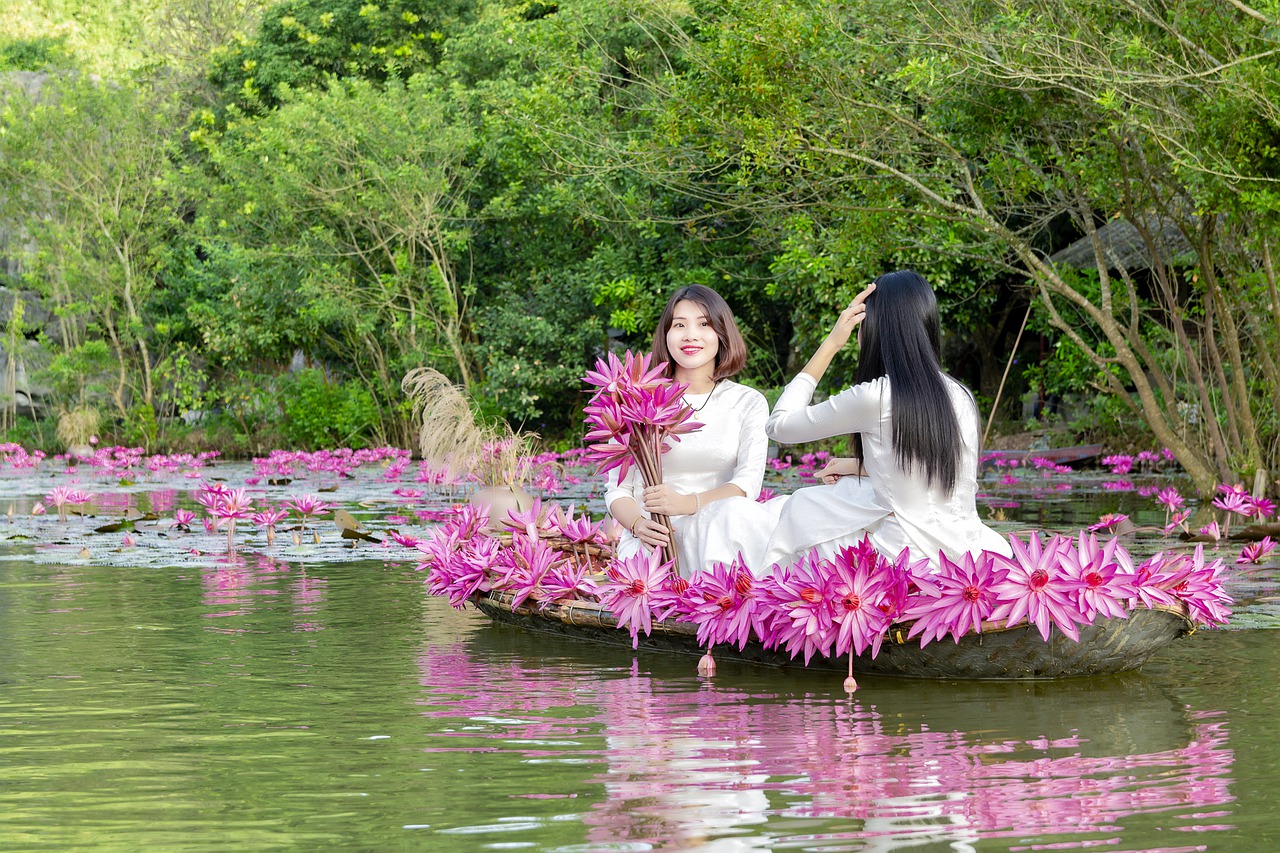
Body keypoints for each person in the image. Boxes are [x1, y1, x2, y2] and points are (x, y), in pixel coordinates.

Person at [760, 269, 1010, 570]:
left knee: (802, 505)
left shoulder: (873, 397)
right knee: (850, 490)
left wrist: (831, 344)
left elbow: (779, 427)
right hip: (969, 554)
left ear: (873, 328)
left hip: (905, 562)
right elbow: (934, 470)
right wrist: (857, 466)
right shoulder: (960, 394)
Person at [604, 285, 772, 577]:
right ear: (666, 335)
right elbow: (617, 490)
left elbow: (747, 486)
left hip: (722, 533)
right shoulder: (637, 398)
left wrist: (686, 503)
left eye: (704, 324)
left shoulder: (748, 402)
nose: (691, 335)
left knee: (758, 515)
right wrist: (638, 526)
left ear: (722, 333)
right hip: (656, 543)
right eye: (679, 325)